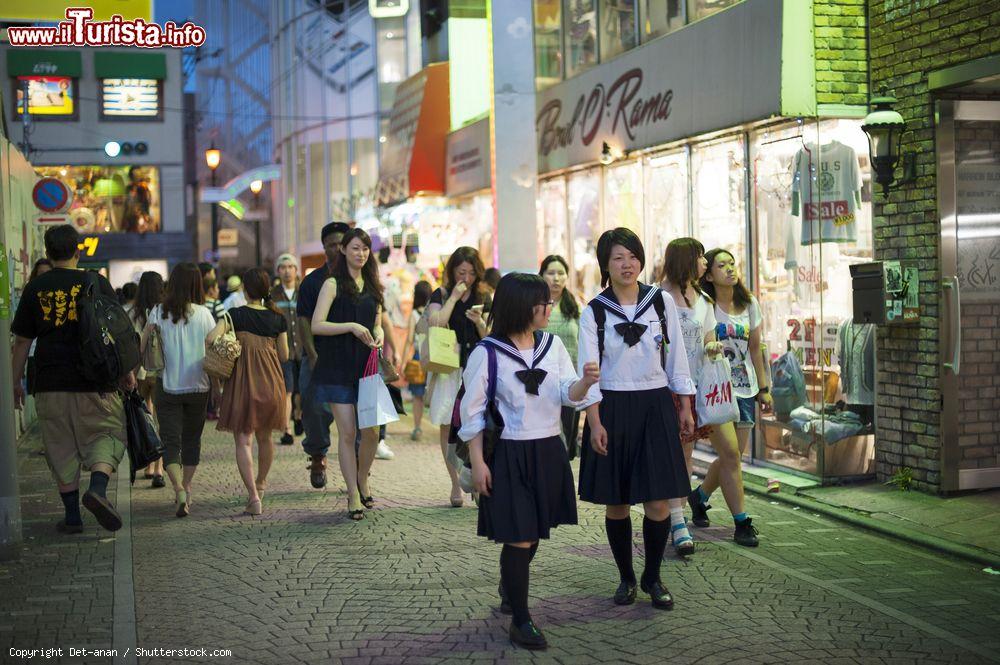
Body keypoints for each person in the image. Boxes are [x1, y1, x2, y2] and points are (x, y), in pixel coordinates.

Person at [463, 273, 600, 650]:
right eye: (542, 301)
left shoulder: (553, 346)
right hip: (509, 452)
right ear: (523, 306)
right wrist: (478, 463)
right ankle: (521, 619)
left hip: (548, 450)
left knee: (534, 530)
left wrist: (585, 384)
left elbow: (567, 393)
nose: (549, 306)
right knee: (520, 536)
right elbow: (472, 413)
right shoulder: (486, 352)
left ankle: (510, 586)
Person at [577, 227, 695, 610]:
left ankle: (653, 576)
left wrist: (686, 405)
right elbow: (588, 370)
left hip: (655, 404)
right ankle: (627, 577)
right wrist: (594, 422)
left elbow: (677, 359)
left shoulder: (660, 302)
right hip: (613, 407)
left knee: (659, 501)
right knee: (618, 502)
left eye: (632, 256)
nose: (627, 265)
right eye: (617, 258)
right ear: (605, 265)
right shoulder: (594, 311)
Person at [10, 224, 136, 533]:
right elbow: (116, 334)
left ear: (48, 253)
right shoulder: (96, 282)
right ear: (77, 251)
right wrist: (127, 373)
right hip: (96, 381)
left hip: (50, 382)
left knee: (59, 445)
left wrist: (14, 383)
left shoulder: (35, 288)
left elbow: (22, 342)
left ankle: (72, 517)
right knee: (106, 436)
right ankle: (98, 488)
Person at [660, 238, 741, 552]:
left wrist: (712, 346)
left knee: (686, 455)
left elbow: (708, 336)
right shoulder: (656, 295)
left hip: (695, 390)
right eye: (700, 258)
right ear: (685, 260)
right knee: (673, 456)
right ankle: (676, 520)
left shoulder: (703, 300)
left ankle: (677, 520)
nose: (705, 263)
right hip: (663, 387)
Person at [692, 248, 769, 546]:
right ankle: (742, 521)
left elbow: (755, 349)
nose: (730, 269)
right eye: (721, 265)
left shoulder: (749, 303)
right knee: (731, 456)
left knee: (731, 457)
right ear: (709, 274)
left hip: (746, 388)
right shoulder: (705, 305)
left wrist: (764, 389)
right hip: (716, 390)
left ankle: (699, 497)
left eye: (732, 263)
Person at [309, 228, 385, 520]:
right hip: (337, 366)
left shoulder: (374, 285)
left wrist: (376, 334)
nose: (361, 254)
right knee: (347, 432)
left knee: (372, 433)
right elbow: (317, 324)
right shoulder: (332, 284)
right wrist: (351, 326)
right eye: (355, 248)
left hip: (366, 366)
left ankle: (362, 478)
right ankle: (353, 493)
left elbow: (377, 321)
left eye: (365, 248)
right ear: (343, 250)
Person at [208, 268, 289, 516]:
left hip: (242, 384)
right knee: (265, 438)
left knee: (244, 440)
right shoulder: (278, 318)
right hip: (272, 383)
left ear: (245, 289)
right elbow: (285, 355)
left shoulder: (235, 315)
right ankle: (262, 483)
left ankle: (254, 496)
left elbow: (211, 338)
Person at [141, 263, 215, 518]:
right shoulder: (205, 314)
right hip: (199, 386)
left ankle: (178, 489)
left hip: (167, 386)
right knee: (192, 441)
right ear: (198, 285)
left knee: (170, 442)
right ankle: (188, 486)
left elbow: (142, 346)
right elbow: (214, 347)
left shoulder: (157, 312)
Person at [426, 247, 489, 508]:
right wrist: (453, 297)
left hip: (475, 368)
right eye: (462, 272)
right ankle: (455, 483)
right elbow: (435, 323)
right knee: (446, 424)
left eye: (472, 273)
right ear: (452, 271)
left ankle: (475, 477)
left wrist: (479, 322)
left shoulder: (484, 296)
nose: (467, 277)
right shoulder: (440, 294)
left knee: (477, 421)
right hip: (448, 368)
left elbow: (492, 337)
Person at [297, 221, 348, 488]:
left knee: (359, 412)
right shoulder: (312, 282)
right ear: (324, 247)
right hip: (319, 354)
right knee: (313, 406)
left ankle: (358, 466)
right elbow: (303, 320)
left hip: (351, 355)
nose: (337, 249)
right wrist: (312, 354)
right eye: (332, 245)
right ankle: (317, 455)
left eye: (342, 244)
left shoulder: (358, 279)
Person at [539, 255, 582, 459]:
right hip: (540, 381)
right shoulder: (535, 305)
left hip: (569, 382)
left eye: (561, 273)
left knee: (567, 436)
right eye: (551, 273)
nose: (556, 278)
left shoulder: (576, 308)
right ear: (542, 276)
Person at [132, 270, 166, 487]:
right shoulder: (165, 311)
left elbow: (132, 345)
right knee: (161, 417)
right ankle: (160, 467)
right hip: (162, 370)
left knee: (145, 415)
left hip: (141, 372)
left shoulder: (134, 313)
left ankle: (148, 464)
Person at [271, 253, 302, 446]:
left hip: (305, 350)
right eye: (283, 267)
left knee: (302, 391)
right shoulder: (272, 295)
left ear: (296, 270)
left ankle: (298, 416)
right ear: (278, 271)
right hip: (284, 352)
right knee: (287, 391)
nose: (287, 270)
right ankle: (287, 430)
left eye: (291, 266)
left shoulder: (304, 291)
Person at [401, 280, 432, 441]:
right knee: (434, 392)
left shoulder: (414, 315)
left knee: (418, 396)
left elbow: (408, 340)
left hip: (419, 358)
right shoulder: (434, 312)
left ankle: (418, 427)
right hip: (434, 358)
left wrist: (405, 360)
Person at [24, 259, 54, 398]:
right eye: (41, 273)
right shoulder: (30, 296)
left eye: (49, 273)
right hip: (34, 354)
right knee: (36, 397)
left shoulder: (60, 298)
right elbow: (22, 338)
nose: (45, 277)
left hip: (55, 356)